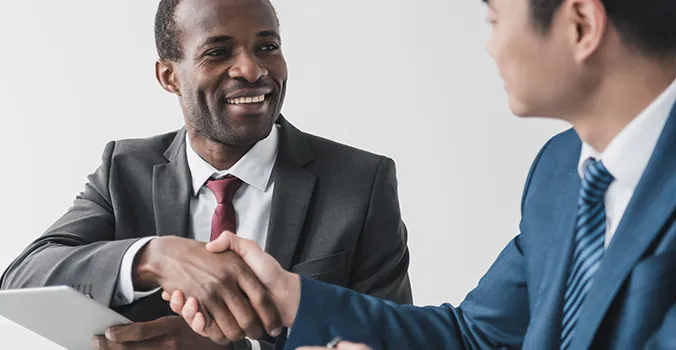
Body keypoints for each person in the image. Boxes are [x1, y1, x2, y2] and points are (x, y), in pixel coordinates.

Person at [165, 0, 676, 348]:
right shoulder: (561, 169)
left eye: (495, 18)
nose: (490, 46)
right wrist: (287, 298)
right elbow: (474, 337)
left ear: (581, 25)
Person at [0, 0, 413, 349]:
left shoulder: (361, 182)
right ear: (169, 77)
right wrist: (153, 257)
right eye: (218, 52)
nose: (251, 70)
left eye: (266, 46)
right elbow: (23, 281)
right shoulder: (124, 170)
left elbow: (393, 338)